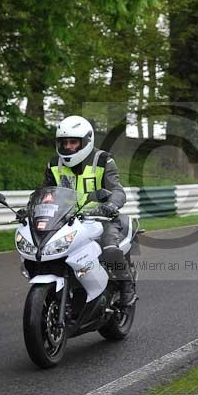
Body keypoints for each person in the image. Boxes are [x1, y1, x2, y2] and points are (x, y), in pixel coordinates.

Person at [41, 115, 136, 307]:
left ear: (86, 141)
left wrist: (111, 205)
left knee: (109, 249)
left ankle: (127, 285)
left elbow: (117, 189)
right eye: (64, 142)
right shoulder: (54, 163)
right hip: (67, 219)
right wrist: (30, 208)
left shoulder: (102, 160)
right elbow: (45, 193)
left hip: (102, 217)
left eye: (73, 142)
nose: (68, 147)